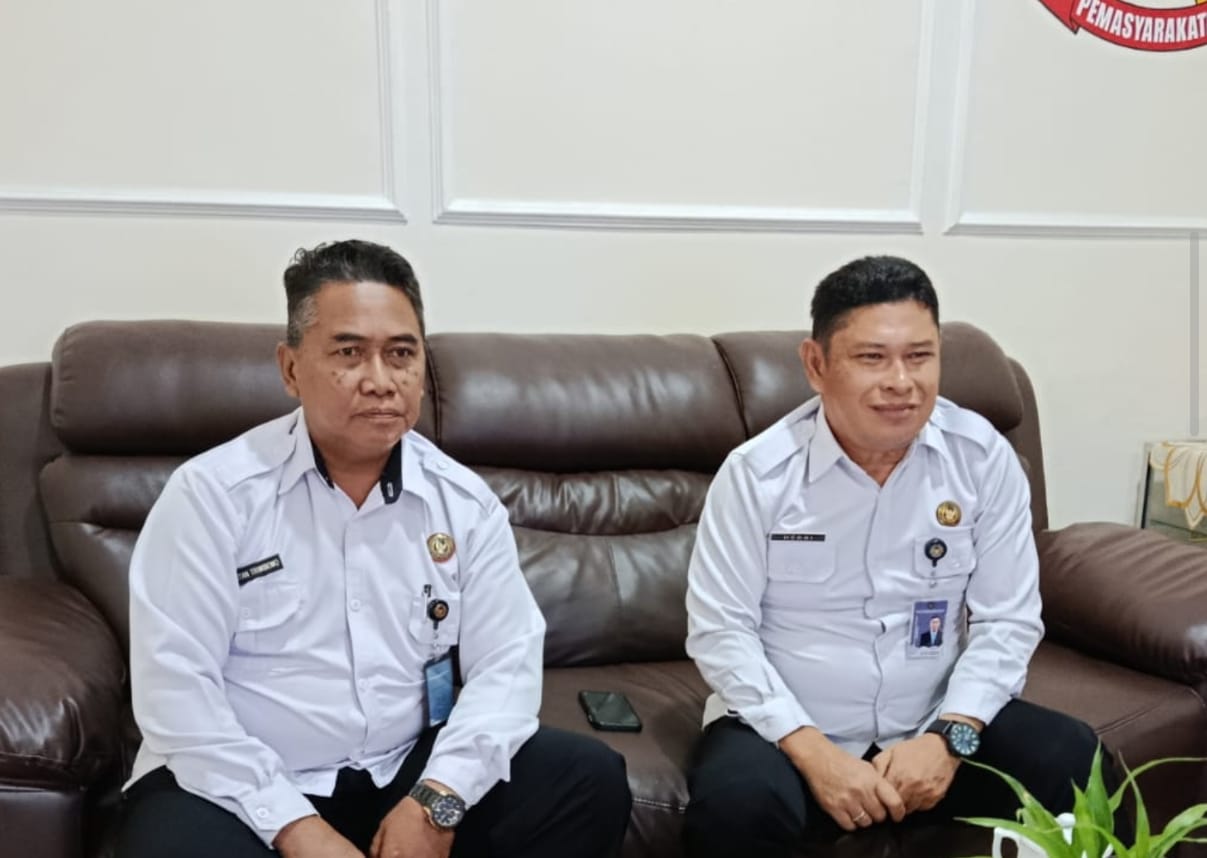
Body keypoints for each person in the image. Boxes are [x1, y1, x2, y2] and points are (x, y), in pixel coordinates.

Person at [116, 240, 631, 858]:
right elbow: (177, 695)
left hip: (402, 769)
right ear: (290, 368)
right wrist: (295, 827)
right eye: (349, 353)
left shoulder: (463, 502)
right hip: (243, 780)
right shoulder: (212, 496)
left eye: (401, 354)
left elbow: (507, 668)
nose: (380, 382)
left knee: (587, 780)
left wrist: (438, 800)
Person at [682, 256, 1120, 857]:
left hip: (933, 722)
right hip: (789, 730)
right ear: (816, 365)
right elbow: (721, 631)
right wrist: (814, 753)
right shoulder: (758, 475)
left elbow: (1008, 622)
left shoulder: (981, 459)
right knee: (737, 806)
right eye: (872, 358)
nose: (901, 382)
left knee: (1072, 759)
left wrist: (949, 739)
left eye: (919, 356)